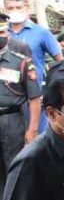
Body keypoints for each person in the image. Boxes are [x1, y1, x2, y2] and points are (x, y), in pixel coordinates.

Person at [0, 12, 42, 170]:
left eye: (2, 32)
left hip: (11, 120)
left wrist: (32, 129)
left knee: (14, 166)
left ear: (8, 34)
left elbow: (35, 98)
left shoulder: (21, 63)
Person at [4, 0, 63, 87]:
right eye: (10, 8)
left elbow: (60, 60)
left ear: (26, 8)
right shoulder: (2, 33)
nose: (15, 11)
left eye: (18, 7)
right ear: (4, 10)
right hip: (5, 90)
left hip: (34, 87)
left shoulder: (42, 33)